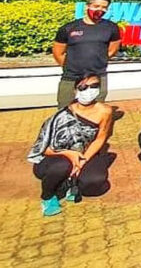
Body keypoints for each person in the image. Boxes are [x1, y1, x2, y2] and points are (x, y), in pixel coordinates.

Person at [27, 73, 114, 216]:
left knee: (95, 183)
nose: (89, 90)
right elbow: (44, 149)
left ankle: (68, 184)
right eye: (83, 87)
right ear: (75, 90)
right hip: (55, 158)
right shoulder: (61, 116)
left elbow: (101, 138)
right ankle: (47, 197)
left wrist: (83, 160)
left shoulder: (105, 111)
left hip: (85, 152)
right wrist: (70, 154)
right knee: (64, 165)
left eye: (94, 86)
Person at [52, 0, 122, 108]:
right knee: (64, 109)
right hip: (71, 77)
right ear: (87, 6)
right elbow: (58, 53)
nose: (100, 10)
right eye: (96, 6)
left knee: (96, 109)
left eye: (104, 7)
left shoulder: (111, 28)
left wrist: (99, 61)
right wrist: (70, 67)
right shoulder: (68, 28)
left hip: (98, 76)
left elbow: (112, 49)